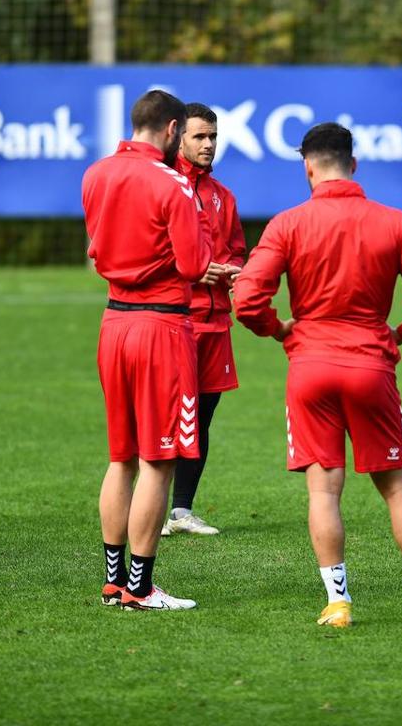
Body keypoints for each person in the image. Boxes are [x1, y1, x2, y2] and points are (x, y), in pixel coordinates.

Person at [234, 122, 402, 627]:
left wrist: (279, 330)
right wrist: (399, 333)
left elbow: (247, 299)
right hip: (371, 366)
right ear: (353, 165)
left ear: (307, 168)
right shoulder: (394, 221)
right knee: (396, 484)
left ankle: (337, 603)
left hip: (310, 367)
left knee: (323, 490)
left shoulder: (287, 224)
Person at [82, 90, 212, 611]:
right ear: (173, 129)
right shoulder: (173, 183)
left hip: (114, 322)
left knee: (121, 459)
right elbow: (193, 262)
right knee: (158, 461)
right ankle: (139, 587)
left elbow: (96, 249)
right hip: (162, 328)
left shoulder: (96, 174)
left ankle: (114, 581)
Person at [163, 102, 246, 536]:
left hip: (217, 322)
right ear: (179, 137)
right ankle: (151, 509)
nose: (208, 144)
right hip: (177, 318)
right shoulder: (164, 186)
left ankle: (182, 511)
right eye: (199, 136)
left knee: (203, 416)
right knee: (167, 416)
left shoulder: (222, 195)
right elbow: (153, 250)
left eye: (213, 136)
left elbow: (235, 248)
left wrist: (231, 267)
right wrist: (195, 269)